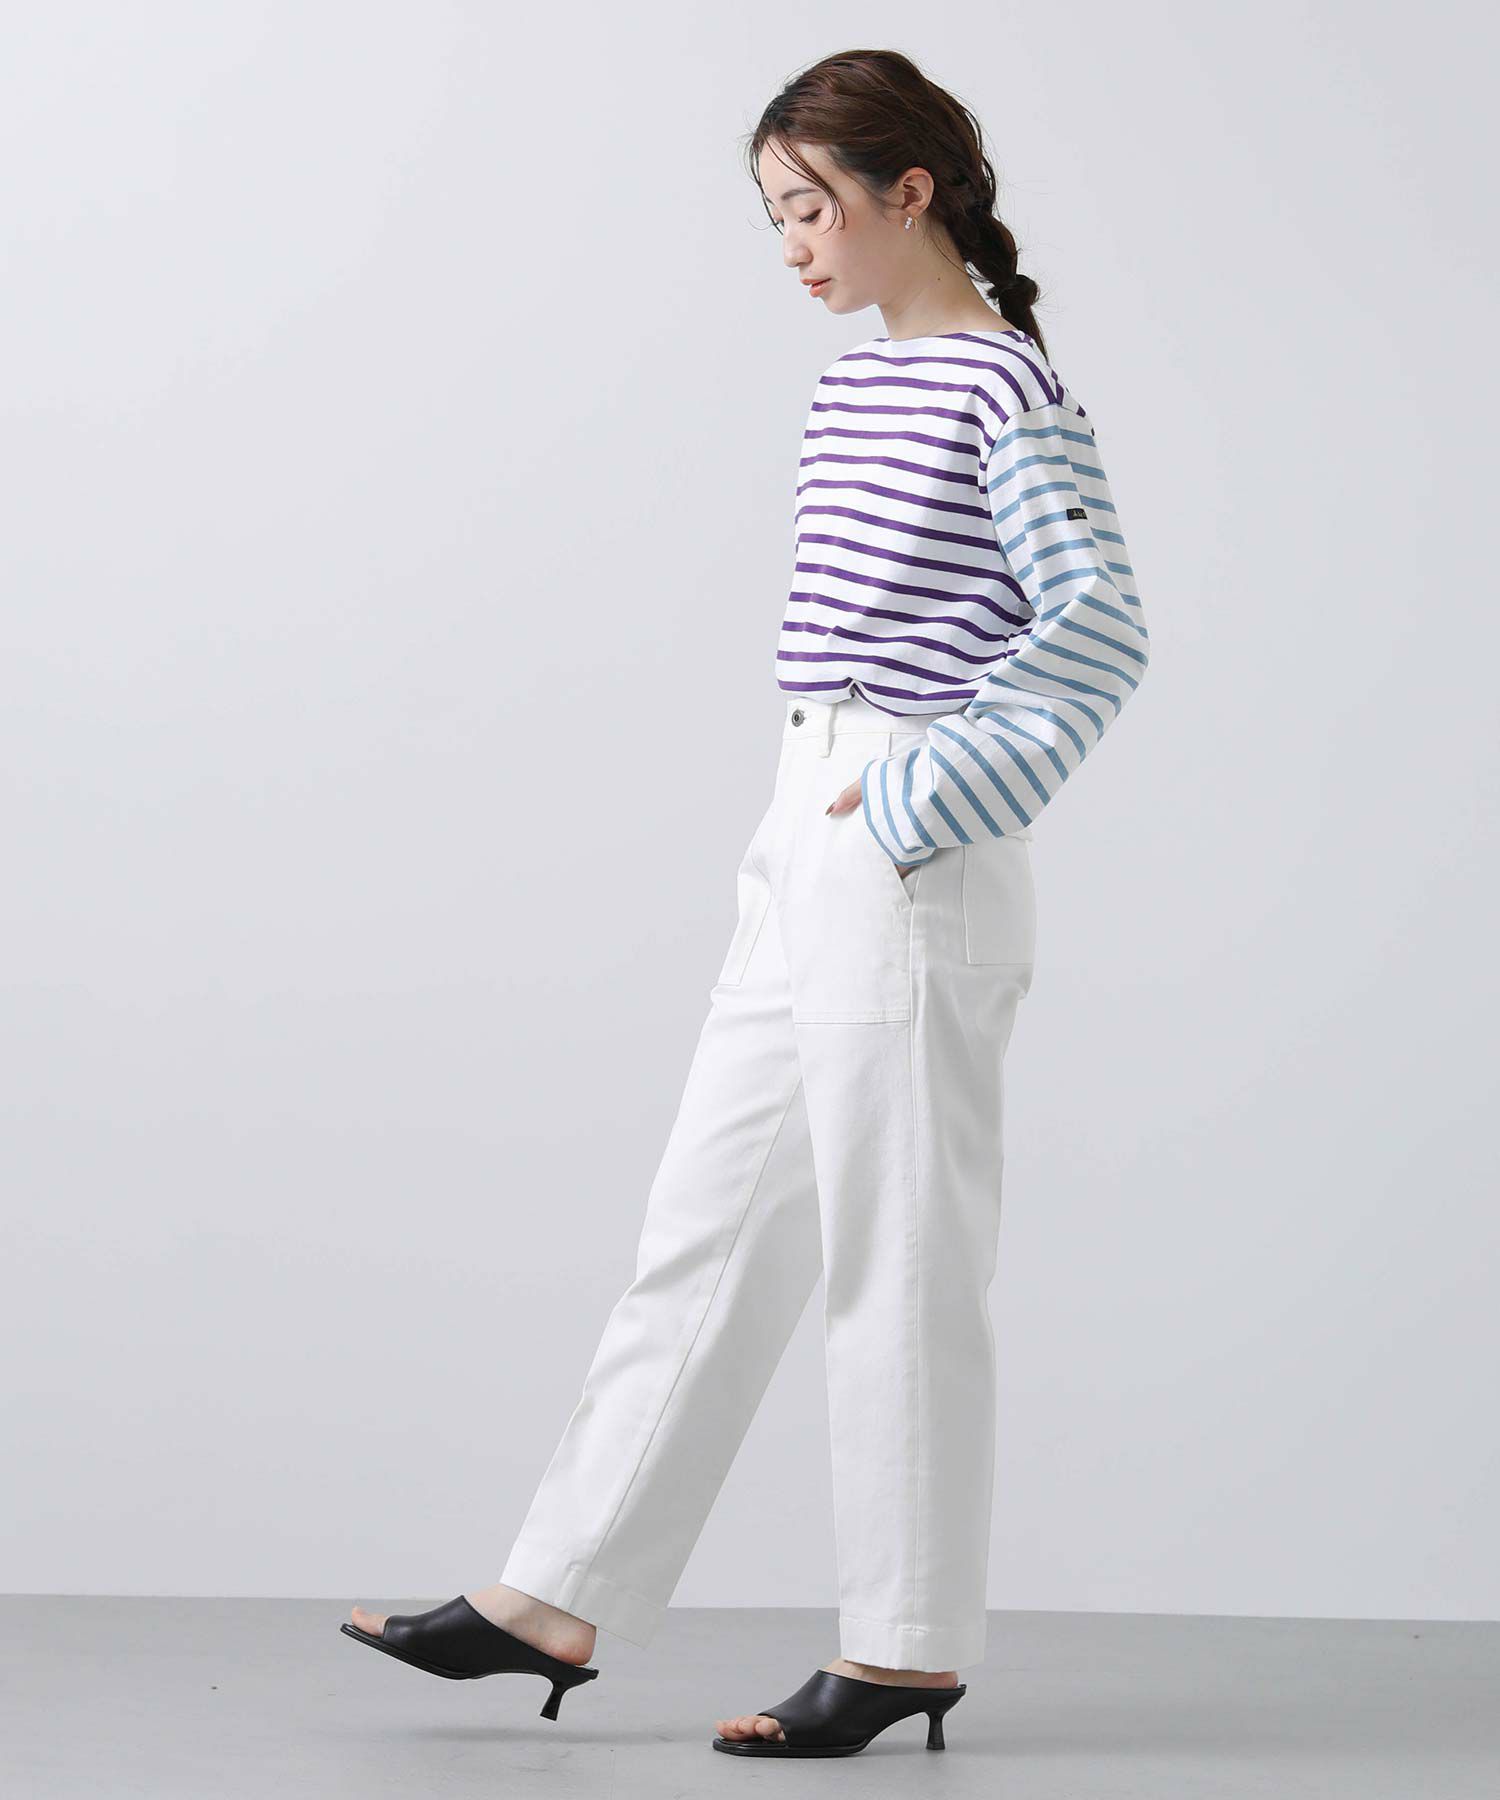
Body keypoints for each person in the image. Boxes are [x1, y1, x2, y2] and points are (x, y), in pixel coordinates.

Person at [341, 46, 1150, 1759]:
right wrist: (829, 818)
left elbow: (1097, 628)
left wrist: (917, 799)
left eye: (809, 209)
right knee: (705, 1228)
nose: (790, 246)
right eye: (772, 215)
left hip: (906, 839)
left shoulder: (1005, 387)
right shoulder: (857, 387)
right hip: (805, 827)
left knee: (900, 1259)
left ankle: (906, 1645)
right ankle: (557, 1591)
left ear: (907, 192)